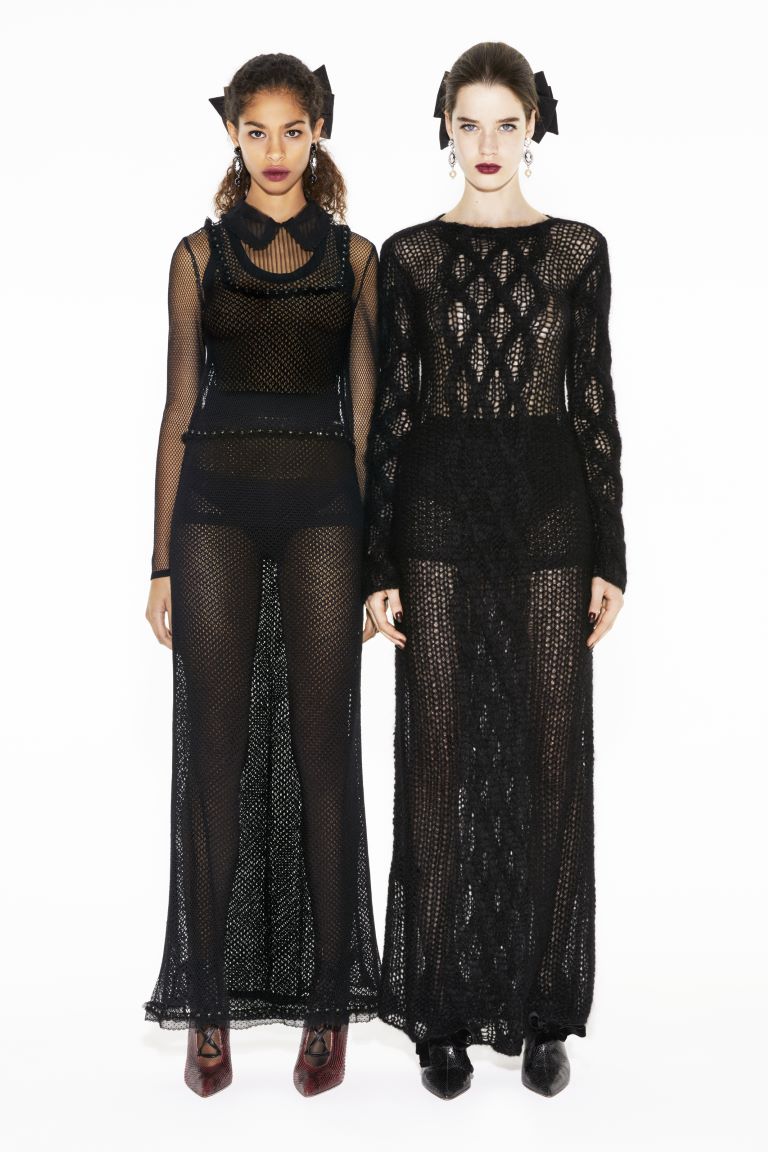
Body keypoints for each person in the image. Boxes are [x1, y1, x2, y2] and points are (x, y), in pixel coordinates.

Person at [364, 41, 627, 1100]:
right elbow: (390, 419)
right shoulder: (410, 257)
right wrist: (378, 559)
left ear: (533, 128)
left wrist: (611, 554)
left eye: (505, 123)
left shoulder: (577, 253)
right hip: (435, 523)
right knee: (437, 761)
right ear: (445, 127)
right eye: (467, 123)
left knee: (549, 757)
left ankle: (543, 1006)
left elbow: (594, 408)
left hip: (551, 526)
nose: (486, 143)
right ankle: (440, 1010)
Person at [143, 53, 380, 1098]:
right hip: (214, 516)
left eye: (292, 130)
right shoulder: (196, 256)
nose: (274, 151)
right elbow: (177, 405)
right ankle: (208, 1002)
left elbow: (367, 414)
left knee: (325, 751)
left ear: (317, 131)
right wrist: (160, 558)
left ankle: (328, 1004)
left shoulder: (358, 259)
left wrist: (376, 556)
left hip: (326, 512)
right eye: (256, 131)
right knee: (215, 755)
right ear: (232, 135)